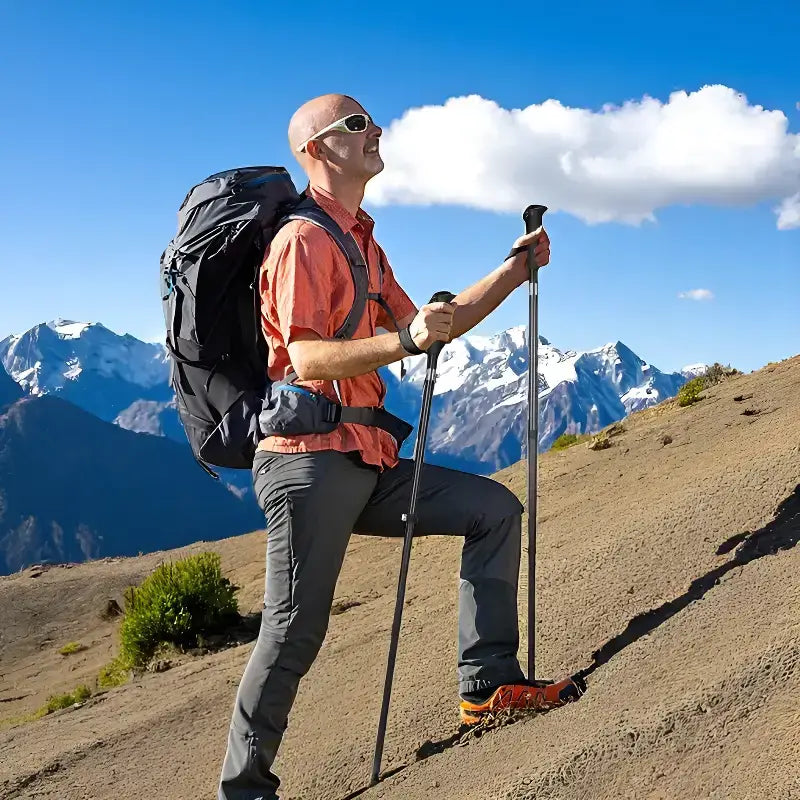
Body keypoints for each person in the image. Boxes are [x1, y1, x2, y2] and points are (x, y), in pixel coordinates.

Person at [218, 94, 576, 800]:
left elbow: (431, 326)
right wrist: (403, 341)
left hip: (365, 458)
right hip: (307, 462)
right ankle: (245, 790)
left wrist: (512, 270)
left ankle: (489, 686)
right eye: (356, 125)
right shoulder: (301, 241)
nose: (375, 129)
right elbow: (308, 358)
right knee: (294, 629)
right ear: (317, 150)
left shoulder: (360, 242)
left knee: (493, 510)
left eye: (372, 121)